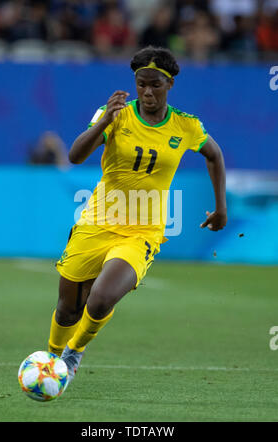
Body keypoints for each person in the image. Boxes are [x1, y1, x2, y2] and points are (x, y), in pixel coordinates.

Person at [47, 46, 227, 385]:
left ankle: (71, 356)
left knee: (100, 299)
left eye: (155, 85)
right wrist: (104, 121)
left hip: (141, 233)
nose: (147, 91)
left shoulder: (186, 126)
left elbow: (214, 155)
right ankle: (50, 356)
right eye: (141, 83)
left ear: (169, 84)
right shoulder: (114, 114)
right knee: (68, 308)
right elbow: (74, 156)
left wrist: (221, 207)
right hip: (96, 223)